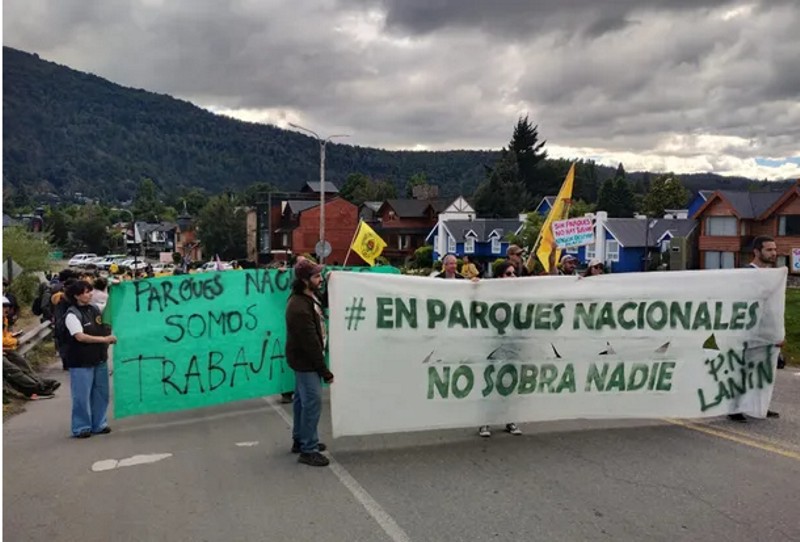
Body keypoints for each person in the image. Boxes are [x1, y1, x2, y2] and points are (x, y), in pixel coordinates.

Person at [285, 259, 333, 467]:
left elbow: (324, 302)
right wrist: (324, 371)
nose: (319, 279)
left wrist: (331, 284)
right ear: (305, 281)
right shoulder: (299, 307)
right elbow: (310, 343)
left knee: (301, 402)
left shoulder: (308, 297)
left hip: (303, 360)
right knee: (312, 403)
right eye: (316, 276)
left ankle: (300, 439)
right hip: (306, 362)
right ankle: (309, 448)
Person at [729, 235, 781, 422]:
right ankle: (735, 407)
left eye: (775, 249)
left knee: (763, 371)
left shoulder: (773, 276)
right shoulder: (746, 274)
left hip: (765, 332)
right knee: (743, 370)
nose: (773, 253)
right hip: (747, 332)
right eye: (769, 249)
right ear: (757, 252)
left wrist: (777, 333)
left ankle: (759, 407)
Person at [63, 280, 117, 438]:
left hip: (99, 359)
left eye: (90, 291)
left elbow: (109, 309)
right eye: (86, 292)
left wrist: (114, 292)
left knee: (101, 393)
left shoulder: (94, 309)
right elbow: (80, 337)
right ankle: (81, 427)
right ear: (76, 295)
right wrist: (104, 339)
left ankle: (99, 424)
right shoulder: (72, 314)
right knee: (81, 396)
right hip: (80, 362)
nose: (90, 294)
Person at [477, 261, 523, 438]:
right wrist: (473, 285)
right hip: (492, 344)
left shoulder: (521, 293)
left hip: (512, 343)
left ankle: (510, 419)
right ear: (499, 276)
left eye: (513, 273)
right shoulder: (489, 293)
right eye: (508, 274)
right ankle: (484, 422)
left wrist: (575, 283)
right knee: (490, 381)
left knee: (509, 382)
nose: (512, 277)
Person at [3, 296, 60, 397]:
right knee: (13, 369)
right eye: (3, 306)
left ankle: (40, 382)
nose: (6, 309)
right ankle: (34, 387)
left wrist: (12, 338)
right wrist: (14, 341)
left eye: (7, 306)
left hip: (6, 349)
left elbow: (5, 335)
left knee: (21, 363)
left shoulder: (4, 319)